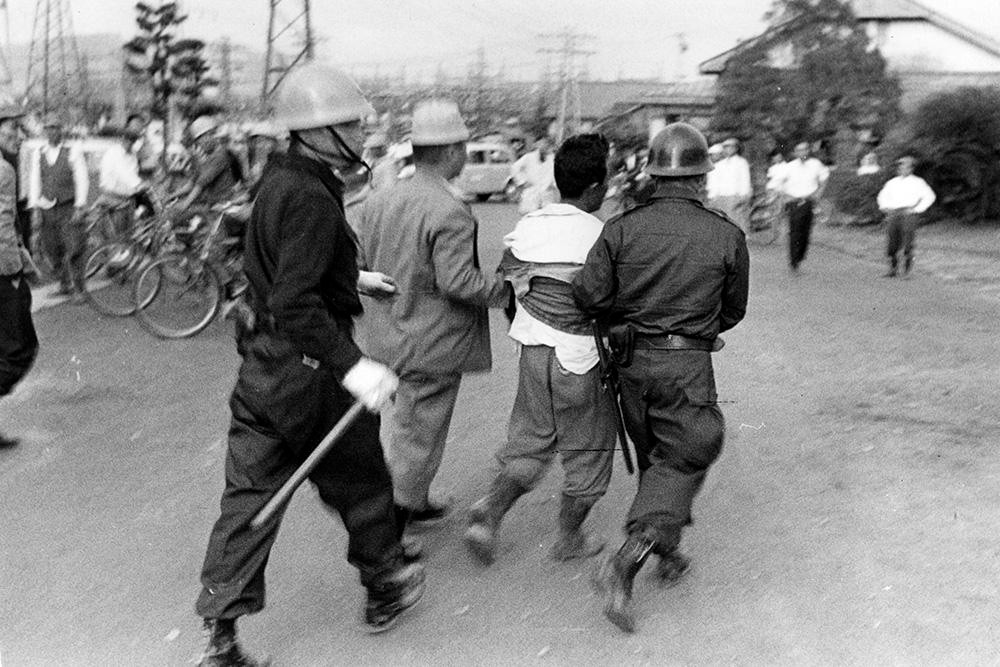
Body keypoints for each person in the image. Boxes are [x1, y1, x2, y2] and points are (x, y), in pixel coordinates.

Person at [194, 63, 424, 665]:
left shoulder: (279, 177)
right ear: (318, 131)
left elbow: (278, 265)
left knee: (247, 498)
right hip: (310, 373)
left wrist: (352, 278)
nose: (361, 130)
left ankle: (221, 637)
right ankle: (385, 587)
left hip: (263, 369)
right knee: (362, 478)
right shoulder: (311, 195)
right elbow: (295, 300)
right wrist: (353, 365)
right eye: (349, 121)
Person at [573, 122, 749, 634]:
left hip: (629, 367)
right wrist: (694, 328)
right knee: (692, 448)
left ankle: (666, 553)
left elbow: (588, 295)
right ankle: (625, 559)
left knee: (661, 459)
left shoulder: (620, 228)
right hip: (686, 367)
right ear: (700, 178)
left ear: (652, 174)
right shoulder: (725, 234)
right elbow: (733, 311)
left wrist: (627, 317)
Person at [464, 133, 616, 565]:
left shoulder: (530, 224)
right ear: (594, 189)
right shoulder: (604, 237)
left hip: (534, 351)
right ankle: (569, 538)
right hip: (582, 360)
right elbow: (612, 303)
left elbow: (508, 286)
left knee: (531, 440)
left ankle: (489, 513)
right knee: (589, 451)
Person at [357, 98, 503, 527]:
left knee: (401, 427)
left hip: (385, 337)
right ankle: (392, 531)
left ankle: (412, 501)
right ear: (451, 151)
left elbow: (365, 264)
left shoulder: (380, 200)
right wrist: (504, 291)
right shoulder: (450, 209)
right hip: (431, 345)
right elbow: (459, 282)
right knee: (418, 440)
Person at [0, 99, 38, 449]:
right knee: (19, 349)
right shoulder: (4, 170)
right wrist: (14, 269)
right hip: (2, 271)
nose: (19, 135)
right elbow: (2, 224)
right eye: (11, 127)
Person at [27, 115, 89, 298]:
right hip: (47, 208)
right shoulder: (39, 152)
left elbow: (82, 179)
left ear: (61, 130)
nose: (52, 131)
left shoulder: (72, 151)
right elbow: (34, 181)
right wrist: (35, 208)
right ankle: (64, 284)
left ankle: (79, 288)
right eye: (49, 128)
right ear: (45, 130)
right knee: (52, 249)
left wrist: (80, 206)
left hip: (68, 206)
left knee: (74, 247)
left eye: (56, 127)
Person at [876, 154, 935, 278]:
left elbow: (929, 196)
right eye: (900, 166)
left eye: (906, 166)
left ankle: (907, 271)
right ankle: (893, 269)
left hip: (909, 213)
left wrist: (917, 209)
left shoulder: (918, 182)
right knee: (892, 243)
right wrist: (884, 207)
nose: (903, 169)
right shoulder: (892, 183)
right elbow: (882, 196)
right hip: (894, 213)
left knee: (908, 243)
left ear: (911, 168)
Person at [173, 116, 245, 215]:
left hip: (224, 206)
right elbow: (190, 185)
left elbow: (200, 185)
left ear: (210, 135)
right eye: (198, 142)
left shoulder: (220, 156)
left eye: (200, 141)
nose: (200, 146)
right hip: (214, 206)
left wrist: (185, 205)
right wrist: (171, 197)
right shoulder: (207, 159)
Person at [775, 141, 829, 273]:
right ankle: (793, 261)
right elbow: (779, 182)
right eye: (799, 150)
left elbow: (824, 178)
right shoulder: (790, 166)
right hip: (794, 201)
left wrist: (818, 194)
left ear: (808, 151)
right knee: (794, 230)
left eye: (804, 150)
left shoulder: (816, 164)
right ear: (795, 152)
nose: (802, 153)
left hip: (809, 200)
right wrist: (785, 196)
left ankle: (800, 255)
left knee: (805, 231)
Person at [97, 120, 152, 240]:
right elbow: (124, 174)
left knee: (128, 236)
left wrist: (141, 186)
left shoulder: (132, 155)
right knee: (117, 238)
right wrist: (139, 184)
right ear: (122, 138)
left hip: (128, 199)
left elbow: (134, 173)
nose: (130, 142)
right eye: (128, 139)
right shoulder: (114, 153)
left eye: (133, 139)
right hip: (113, 199)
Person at [706, 137, 753, 232]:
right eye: (726, 147)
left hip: (734, 196)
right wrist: (713, 196)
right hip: (721, 197)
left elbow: (745, 179)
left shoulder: (741, 162)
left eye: (731, 147)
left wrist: (743, 195)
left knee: (735, 221)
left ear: (736, 148)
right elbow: (716, 182)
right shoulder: (720, 164)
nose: (728, 149)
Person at [510, 137, 558, 214]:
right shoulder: (529, 157)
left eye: (545, 143)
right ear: (536, 145)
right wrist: (523, 181)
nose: (543, 146)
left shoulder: (553, 158)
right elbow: (515, 168)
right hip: (532, 191)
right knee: (530, 216)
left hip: (547, 193)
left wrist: (553, 184)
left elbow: (557, 172)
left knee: (547, 217)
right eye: (541, 143)